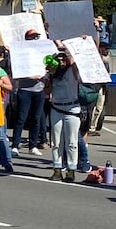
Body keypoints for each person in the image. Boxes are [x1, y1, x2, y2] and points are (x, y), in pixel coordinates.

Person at [43, 45, 83, 181]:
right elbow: (46, 94)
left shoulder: (72, 71)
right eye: (58, 60)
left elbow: (75, 64)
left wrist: (69, 52)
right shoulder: (51, 74)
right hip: (56, 108)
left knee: (72, 142)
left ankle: (71, 170)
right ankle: (57, 169)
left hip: (72, 109)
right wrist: (47, 79)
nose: (61, 62)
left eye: (63, 59)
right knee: (56, 141)